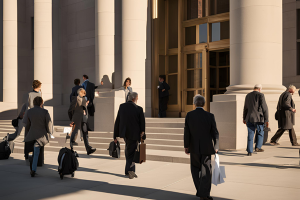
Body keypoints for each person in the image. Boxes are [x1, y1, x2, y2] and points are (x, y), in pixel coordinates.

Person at [184, 95, 219, 200]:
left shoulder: (189, 115)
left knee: (195, 170)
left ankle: (201, 193)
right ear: (204, 104)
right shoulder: (210, 116)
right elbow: (215, 133)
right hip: (207, 148)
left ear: (194, 104)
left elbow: (187, 132)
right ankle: (203, 194)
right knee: (206, 172)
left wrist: (186, 146)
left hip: (193, 148)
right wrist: (216, 146)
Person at [114, 92, 146, 179]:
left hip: (125, 133)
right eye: (137, 97)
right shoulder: (139, 109)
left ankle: (130, 170)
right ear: (134, 98)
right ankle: (129, 171)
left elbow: (117, 121)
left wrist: (115, 135)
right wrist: (143, 134)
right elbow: (142, 124)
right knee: (131, 152)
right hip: (134, 134)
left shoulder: (122, 106)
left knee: (129, 150)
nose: (137, 99)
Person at [23, 97, 53, 177]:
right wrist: (49, 132)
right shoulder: (45, 112)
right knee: (36, 153)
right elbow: (49, 124)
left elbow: (26, 124)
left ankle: (33, 168)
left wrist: (27, 134)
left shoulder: (29, 111)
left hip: (31, 134)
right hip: (41, 135)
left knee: (33, 152)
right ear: (41, 103)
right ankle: (33, 169)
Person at [68, 88, 96, 155]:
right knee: (74, 132)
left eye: (84, 93)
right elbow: (70, 110)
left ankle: (88, 149)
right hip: (76, 118)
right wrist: (72, 119)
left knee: (85, 133)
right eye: (83, 93)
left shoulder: (84, 99)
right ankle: (70, 148)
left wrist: (85, 105)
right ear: (80, 92)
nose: (84, 94)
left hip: (83, 119)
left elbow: (84, 108)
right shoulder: (75, 98)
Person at [243, 84, 269, 156]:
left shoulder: (248, 95)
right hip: (259, 118)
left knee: (250, 134)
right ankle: (258, 147)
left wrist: (244, 118)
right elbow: (265, 108)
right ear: (260, 89)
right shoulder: (261, 95)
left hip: (249, 118)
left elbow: (245, 108)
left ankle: (249, 151)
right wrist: (266, 119)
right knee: (260, 132)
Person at [23, 80, 43, 160]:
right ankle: (35, 153)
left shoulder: (29, 94)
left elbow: (27, 105)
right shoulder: (39, 94)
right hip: (37, 116)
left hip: (30, 116)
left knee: (28, 136)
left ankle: (27, 154)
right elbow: (41, 105)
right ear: (39, 87)